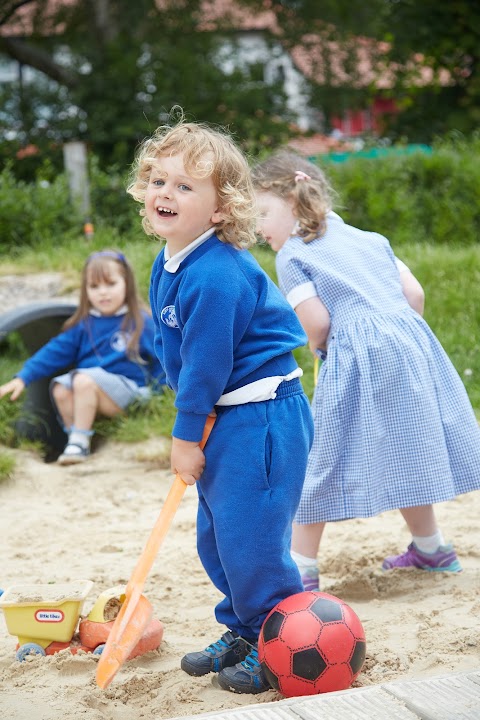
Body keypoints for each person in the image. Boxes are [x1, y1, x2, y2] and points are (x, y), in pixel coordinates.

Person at [126, 119, 314, 694]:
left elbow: (206, 362)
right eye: (159, 180)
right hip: (227, 414)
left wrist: (186, 433)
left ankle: (278, 641)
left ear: (219, 208)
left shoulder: (217, 273)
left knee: (251, 539)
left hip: (261, 417)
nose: (166, 193)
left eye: (186, 187)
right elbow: (172, 347)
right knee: (217, 535)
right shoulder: (171, 259)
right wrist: (197, 418)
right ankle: (243, 627)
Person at [252, 149, 480, 592]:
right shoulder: (370, 239)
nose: (259, 227)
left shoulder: (294, 254)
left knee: (322, 454)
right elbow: (413, 295)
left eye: (262, 212)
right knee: (407, 442)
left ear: (292, 202)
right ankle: (431, 546)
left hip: (356, 354)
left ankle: (301, 565)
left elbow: (316, 323)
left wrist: (324, 350)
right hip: (412, 346)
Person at [0, 250, 165, 465]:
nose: (103, 293)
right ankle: (80, 441)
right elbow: (53, 352)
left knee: (82, 380)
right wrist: (23, 377)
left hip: (131, 392)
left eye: (110, 284)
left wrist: (158, 395)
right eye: (94, 287)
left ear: (127, 284)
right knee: (60, 388)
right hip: (91, 390)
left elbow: (164, 358)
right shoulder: (84, 325)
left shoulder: (140, 321)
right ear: (85, 291)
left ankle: (79, 441)